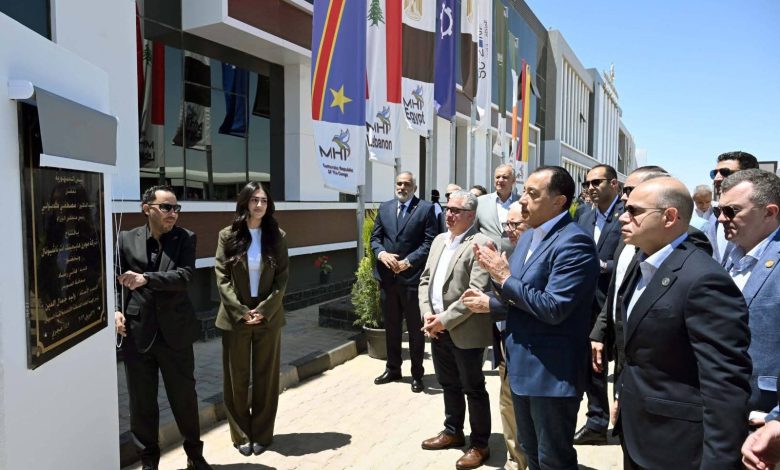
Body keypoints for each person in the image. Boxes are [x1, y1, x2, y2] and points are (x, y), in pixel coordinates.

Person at [614, 176, 751, 469]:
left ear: (669, 217)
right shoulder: (643, 262)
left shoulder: (704, 279)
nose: (623, 217)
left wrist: (719, 462)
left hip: (677, 447)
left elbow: (723, 383)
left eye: (634, 211)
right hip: (638, 434)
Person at [474, 166, 599, 470]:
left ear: (559, 201)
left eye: (532, 193)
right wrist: (495, 286)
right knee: (530, 452)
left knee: (553, 459)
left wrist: (503, 277)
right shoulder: (529, 237)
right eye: (524, 191)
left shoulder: (574, 242)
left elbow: (554, 307)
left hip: (551, 375)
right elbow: (517, 297)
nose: (523, 199)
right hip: (520, 369)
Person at [114, 185, 212, 470]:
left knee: (184, 398)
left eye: (176, 208)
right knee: (142, 403)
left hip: (176, 333)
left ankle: (195, 456)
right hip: (137, 333)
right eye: (166, 207)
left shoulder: (185, 238)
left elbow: (185, 277)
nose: (173, 213)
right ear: (147, 209)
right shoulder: (125, 239)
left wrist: (146, 278)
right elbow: (114, 279)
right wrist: (116, 311)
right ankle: (149, 463)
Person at [418, 190, 493, 470]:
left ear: (471, 215)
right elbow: (425, 280)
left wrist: (444, 320)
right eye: (447, 208)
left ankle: (480, 444)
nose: (448, 214)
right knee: (448, 383)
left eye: (455, 211)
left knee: (473, 388)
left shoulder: (481, 243)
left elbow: (475, 292)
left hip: (465, 330)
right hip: (437, 327)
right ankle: (453, 431)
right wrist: (428, 314)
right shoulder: (440, 240)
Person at [214, 181, 289, 457]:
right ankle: (241, 435)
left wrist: (265, 310)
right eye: (254, 200)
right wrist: (241, 311)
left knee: (266, 378)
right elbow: (222, 277)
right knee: (237, 378)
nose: (259, 205)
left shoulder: (277, 236)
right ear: (245, 202)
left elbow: (282, 278)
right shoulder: (228, 235)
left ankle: (263, 433)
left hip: (268, 317)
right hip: (236, 318)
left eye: (264, 200)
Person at [461, 201, 529, 470]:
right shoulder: (508, 251)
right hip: (503, 343)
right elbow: (504, 295)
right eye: (506, 225)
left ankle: (526, 460)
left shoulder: (535, 255)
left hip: (527, 348)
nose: (509, 230)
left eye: (515, 224)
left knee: (524, 412)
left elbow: (530, 303)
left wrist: (489, 303)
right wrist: (487, 289)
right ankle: (515, 461)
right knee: (507, 407)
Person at [717, 169, 780, 415]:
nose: (721, 219)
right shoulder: (731, 257)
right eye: (718, 211)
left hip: (765, 412)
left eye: (731, 211)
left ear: (770, 212)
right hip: (724, 405)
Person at [370, 171, 437, 393]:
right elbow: (375, 239)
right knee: (391, 327)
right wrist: (382, 254)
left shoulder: (425, 209)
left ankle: (417, 374)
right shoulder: (385, 208)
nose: (402, 187)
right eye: (399, 183)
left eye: (407, 184)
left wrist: (408, 262)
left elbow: (429, 243)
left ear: (414, 188)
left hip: (412, 279)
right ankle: (393, 369)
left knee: (416, 330)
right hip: (388, 279)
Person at [574, 164, 623, 446]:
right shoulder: (583, 214)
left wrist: (603, 265)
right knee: (592, 365)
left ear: (613, 184)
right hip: (585, 303)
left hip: (614, 302)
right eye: (587, 183)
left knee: (620, 365)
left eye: (597, 182)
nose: (590, 188)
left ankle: (624, 421)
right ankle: (596, 422)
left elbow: (633, 257)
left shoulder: (626, 214)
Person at [709, 150, 759, 261]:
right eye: (714, 173)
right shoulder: (714, 217)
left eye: (725, 172)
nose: (717, 178)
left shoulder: (765, 219)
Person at [475, 164, 520, 254]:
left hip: (514, 256)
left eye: (505, 177)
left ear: (513, 181)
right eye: (497, 177)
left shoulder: (521, 202)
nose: (500, 180)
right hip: (486, 256)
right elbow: (474, 230)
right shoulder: (480, 202)